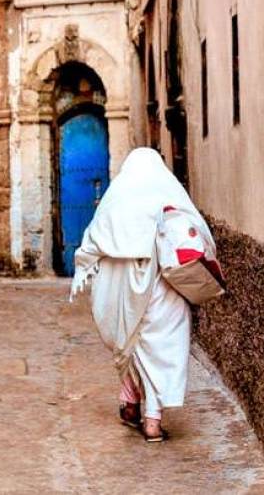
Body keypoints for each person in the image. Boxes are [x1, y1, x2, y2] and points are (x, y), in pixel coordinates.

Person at [69, 147, 208, 442]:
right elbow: (197, 235)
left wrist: (84, 263)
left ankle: (130, 403)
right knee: (161, 348)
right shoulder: (169, 191)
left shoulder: (117, 197)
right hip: (163, 286)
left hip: (121, 289)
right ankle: (152, 421)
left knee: (130, 340)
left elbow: (92, 240)